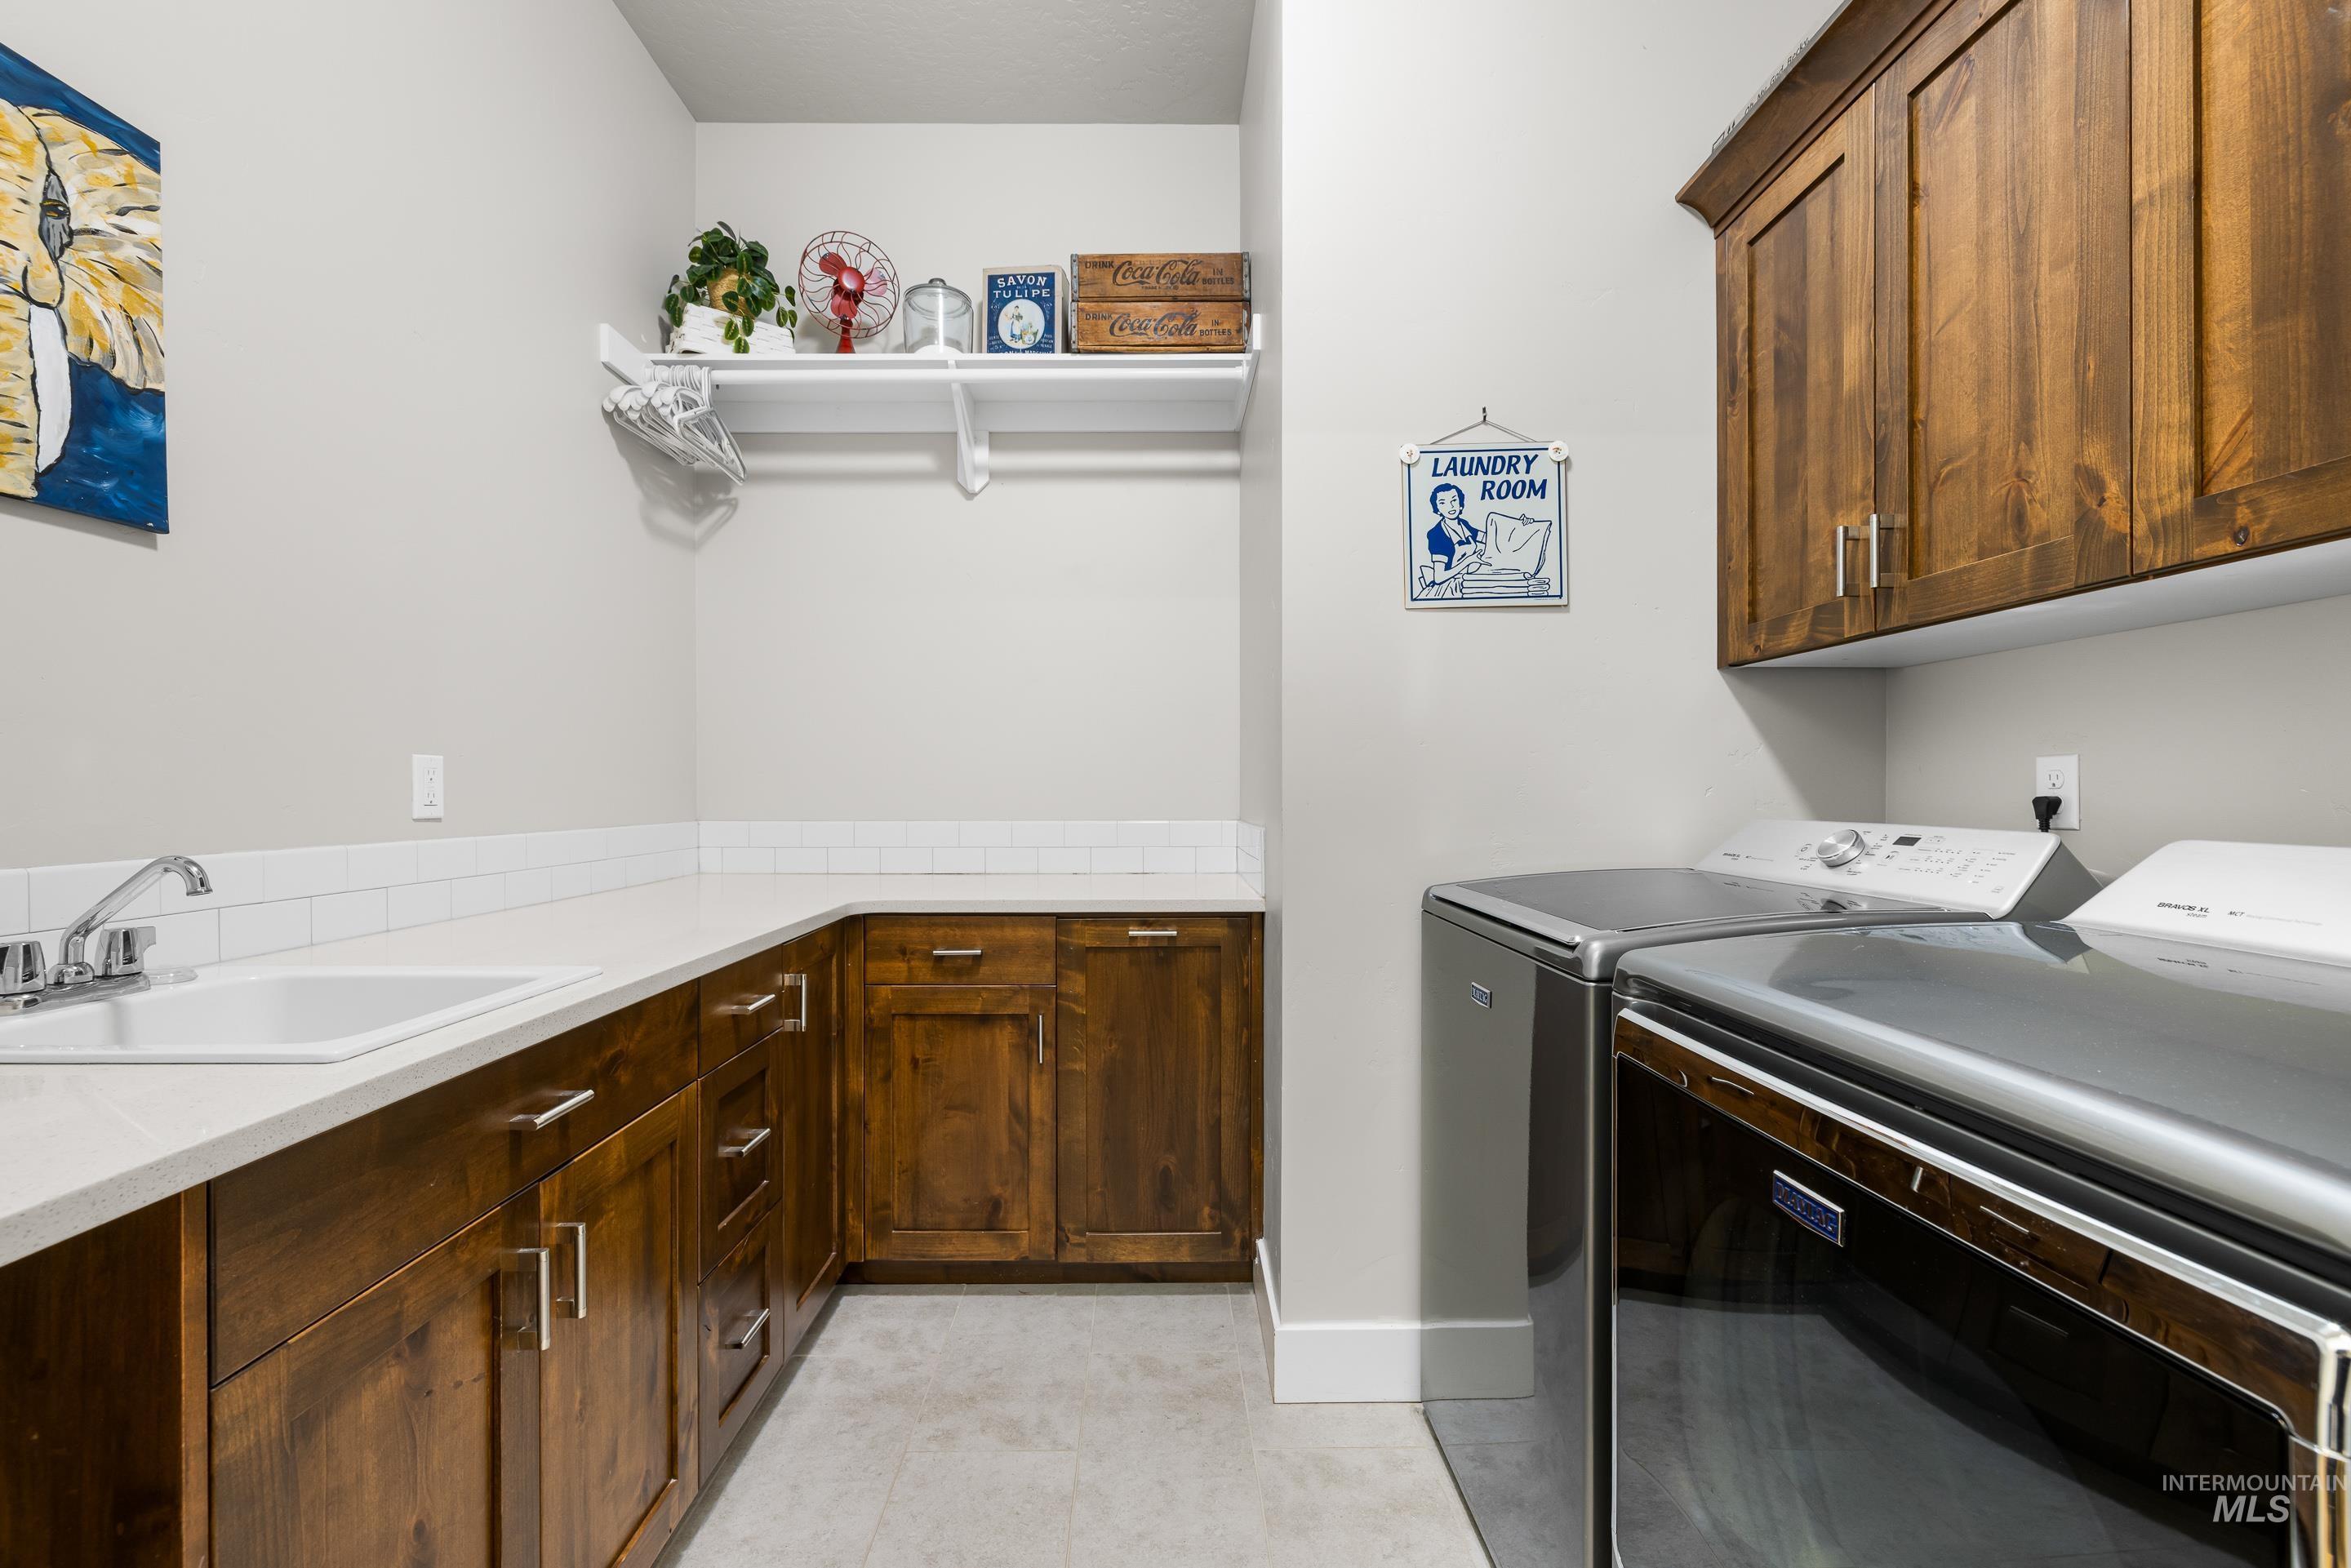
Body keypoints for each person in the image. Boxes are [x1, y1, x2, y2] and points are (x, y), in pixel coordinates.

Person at [1419, 482, 1484, 598]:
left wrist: (1520, 526)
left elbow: (1490, 537)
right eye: (1443, 503)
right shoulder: (1436, 534)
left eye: (1454, 500)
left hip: (1469, 581)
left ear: (1460, 504)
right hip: (1450, 588)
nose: (1450, 506)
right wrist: (1468, 561)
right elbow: (1439, 578)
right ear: (1437, 509)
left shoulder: (1464, 525)